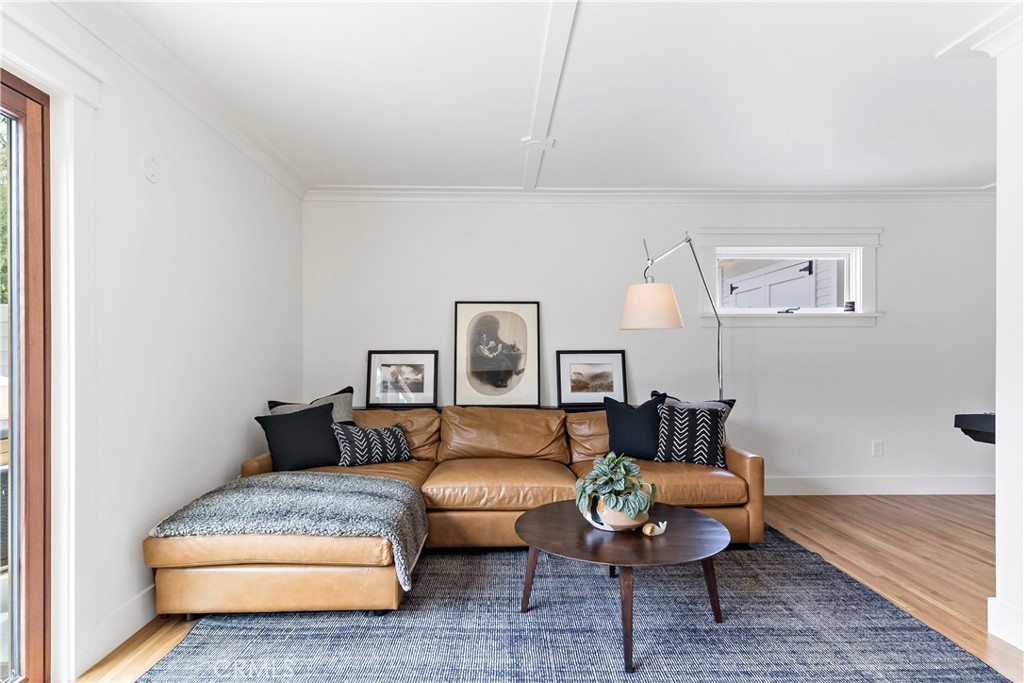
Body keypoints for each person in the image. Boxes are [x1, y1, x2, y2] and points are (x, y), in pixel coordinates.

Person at [469, 316, 524, 389]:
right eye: (484, 338)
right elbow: (490, 356)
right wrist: (498, 350)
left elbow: (485, 350)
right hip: (485, 362)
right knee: (503, 359)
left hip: (486, 359)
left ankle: (512, 372)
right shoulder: (479, 347)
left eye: (485, 337)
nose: (485, 339)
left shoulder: (480, 345)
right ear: (480, 338)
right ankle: (511, 373)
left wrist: (489, 345)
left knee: (502, 357)